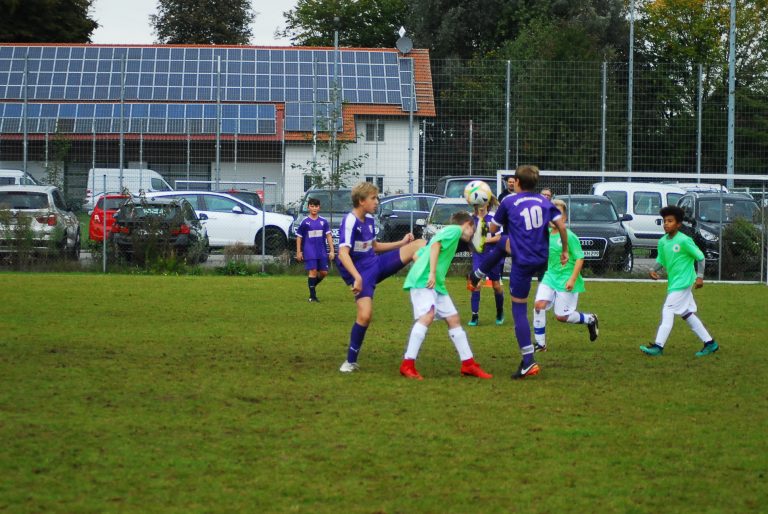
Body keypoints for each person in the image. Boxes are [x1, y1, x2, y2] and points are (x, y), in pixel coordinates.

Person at [468, 165, 569, 379]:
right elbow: (561, 226)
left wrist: (485, 216)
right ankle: (478, 274)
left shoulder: (509, 201)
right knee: (504, 241)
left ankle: (528, 361)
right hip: (541, 258)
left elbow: (492, 230)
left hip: (522, 261)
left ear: (518, 182)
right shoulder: (544, 201)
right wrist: (565, 251)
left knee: (519, 310)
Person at [337, 181, 426, 373]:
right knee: (365, 316)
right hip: (361, 273)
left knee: (420, 244)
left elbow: (375, 247)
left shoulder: (369, 219)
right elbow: (343, 253)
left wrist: (401, 243)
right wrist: (356, 278)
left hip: (375, 264)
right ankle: (350, 362)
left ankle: (428, 286)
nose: (377, 201)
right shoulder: (350, 220)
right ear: (361, 201)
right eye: (373, 198)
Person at [400, 211, 493, 380]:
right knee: (428, 316)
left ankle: (468, 364)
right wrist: (431, 273)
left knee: (453, 319)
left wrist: (428, 269)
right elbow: (435, 246)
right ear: (468, 225)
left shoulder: (447, 233)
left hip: (436, 284)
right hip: (425, 281)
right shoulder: (455, 230)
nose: (472, 235)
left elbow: (417, 255)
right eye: (473, 230)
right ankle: (407, 364)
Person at [640, 205, 719, 357]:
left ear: (678, 224)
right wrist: (652, 270)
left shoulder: (684, 240)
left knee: (668, 309)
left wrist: (700, 277)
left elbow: (700, 257)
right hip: (674, 283)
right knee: (686, 313)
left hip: (683, 282)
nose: (666, 224)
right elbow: (661, 260)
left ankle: (658, 346)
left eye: (670, 221)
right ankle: (710, 343)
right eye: (665, 221)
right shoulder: (663, 241)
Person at [532, 199, 598, 351]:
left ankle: (590, 319)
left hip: (565, 279)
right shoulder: (547, 234)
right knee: (538, 306)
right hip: (550, 277)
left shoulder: (569, 236)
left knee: (561, 317)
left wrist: (572, 279)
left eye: (558, 214)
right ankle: (541, 344)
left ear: (564, 218)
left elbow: (580, 258)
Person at [468, 198, 505, 326]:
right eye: (478, 203)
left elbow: (499, 237)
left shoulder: (494, 217)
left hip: (492, 255)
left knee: (496, 285)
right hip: (478, 255)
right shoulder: (471, 219)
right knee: (476, 284)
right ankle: (474, 316)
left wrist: (484, 241)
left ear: (488, 204)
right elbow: (467, 236)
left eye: (484, 202)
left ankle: (500, 312)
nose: (481, 205)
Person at [295, 197, 335, 302]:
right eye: (312, 206)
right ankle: (312, 297)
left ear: (319, 208)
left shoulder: (323, 221)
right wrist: (299, 252)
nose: (314, 208)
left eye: (316, 206)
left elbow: (329, 235)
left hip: (321, 251)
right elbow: (299, 237)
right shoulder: (305, 222)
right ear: (308, 207)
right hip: (309, 251)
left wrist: (331, 250)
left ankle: (312, 286)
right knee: (313, 271)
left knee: (324, 272)